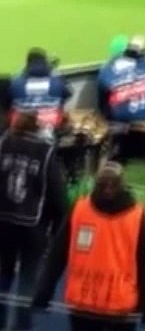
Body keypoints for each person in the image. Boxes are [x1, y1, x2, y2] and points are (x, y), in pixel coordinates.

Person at [33, 163, 145, 331]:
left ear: (122, 186)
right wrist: (44, 291)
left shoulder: (138, 218)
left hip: (118, 308)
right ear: (96, 184)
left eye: (113, 185)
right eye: (103, 185)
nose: (108, 190)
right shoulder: (80, 211)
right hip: (86, 305)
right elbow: (57, 254)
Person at [0, 113, 68, 331]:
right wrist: (59, 229)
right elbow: (57, 194)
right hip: (34, 226)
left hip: (3, 223)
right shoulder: (45, 152)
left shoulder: (3, 144)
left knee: (2, 276)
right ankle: (21, 325)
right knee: (28, 278)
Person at [6, 48, 70, 136]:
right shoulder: (57, 82)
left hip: (21, 127)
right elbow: (68, 93)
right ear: (45, 62)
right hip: (52, 126)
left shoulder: (16, 83)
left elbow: (8, 100)